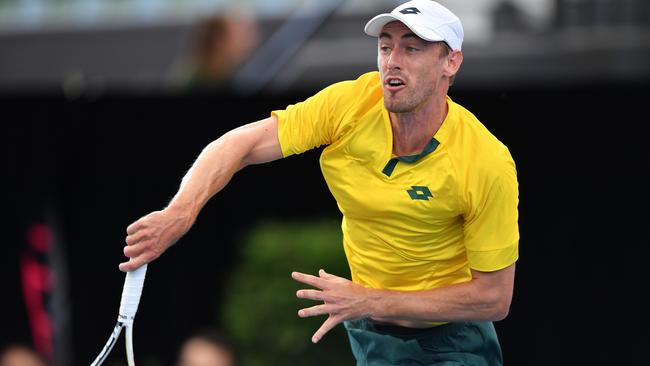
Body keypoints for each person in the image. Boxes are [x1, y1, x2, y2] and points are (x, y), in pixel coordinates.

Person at [120, 1, 519, 364]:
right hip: (371, 334)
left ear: (451, 62)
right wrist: (180, 212)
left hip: (454, 343)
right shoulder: (350, 104)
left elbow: (494, 298)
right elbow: (240, 143)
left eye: (411, 49)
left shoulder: (486, 161)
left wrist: (371, 299)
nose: (392, 61)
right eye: (385, 46)